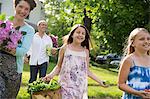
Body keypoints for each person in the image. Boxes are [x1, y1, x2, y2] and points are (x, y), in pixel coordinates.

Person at [43, 24, 108, 99]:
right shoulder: (65, 48)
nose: (80, 35)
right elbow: (58, 67)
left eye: (83, 33)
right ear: (72, 34)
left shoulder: (85, 51)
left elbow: (87, 71)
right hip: (65, 87)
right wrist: (50, 75)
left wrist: (100, 81)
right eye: (78, 32)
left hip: (79, 88)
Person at [0, 0, 36, 98]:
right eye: (20, 7)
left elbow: (23, 51)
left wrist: (4, 47)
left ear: (29, 12)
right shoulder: (3, 22)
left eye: (26, 9)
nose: (23, 11)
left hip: (14, 71)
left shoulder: (29, 30)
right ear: (15, 6)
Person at [118, 28, 150, 99]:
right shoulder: (129, 60)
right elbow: (121, 84)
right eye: (142, 39)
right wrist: (137, 93)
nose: (146, 41)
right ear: (132, 43)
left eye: (148, 39)